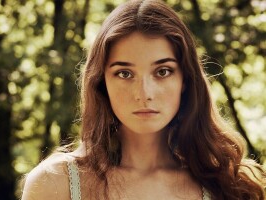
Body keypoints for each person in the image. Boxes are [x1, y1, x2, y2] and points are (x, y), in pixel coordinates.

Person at [21, 0, 266, 199]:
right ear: (101, 83)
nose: (144, 93)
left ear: (185, 81)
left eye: (163, 71)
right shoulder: (55, 183)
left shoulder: (232, 187)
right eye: (124, 73)